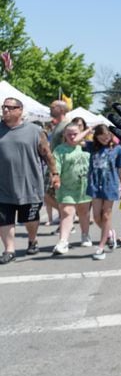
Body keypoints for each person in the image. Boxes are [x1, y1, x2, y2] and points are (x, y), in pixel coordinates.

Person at [0, 97, 59, 262]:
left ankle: (32, 240)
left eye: (11, 107)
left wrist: (55, 174)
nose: (6, 110)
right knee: (4, 219)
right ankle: (9, 250)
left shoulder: (34, 131)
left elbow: (47, 154)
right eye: (4, 107)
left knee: (30, 219)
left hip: (29, 185)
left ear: (20, 110)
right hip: (3, 186)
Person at [87, 125, 121, 260]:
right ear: (96, 137)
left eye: (107, 137)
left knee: (106, 216)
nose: (105, 140)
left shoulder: (117, 149)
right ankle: (110, 234)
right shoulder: (92, 147)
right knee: (96, 217)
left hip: (110, 185)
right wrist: (89, 129)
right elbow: (75, 140)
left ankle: (101, 246)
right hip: (94, 185)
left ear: (111, 136)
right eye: (101, 137)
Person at [51, 123, 93, 254]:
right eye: (69, 134)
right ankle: (63, 241)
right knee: (67, 212)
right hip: (66, 186)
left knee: (83, 212)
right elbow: (55, 166)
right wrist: (56, 179)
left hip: (84, 185)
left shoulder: (87, 147)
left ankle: (85, 234)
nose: (72, 136)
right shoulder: (59, 150)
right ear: (64, 135)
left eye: (75, 133)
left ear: (81, 133)